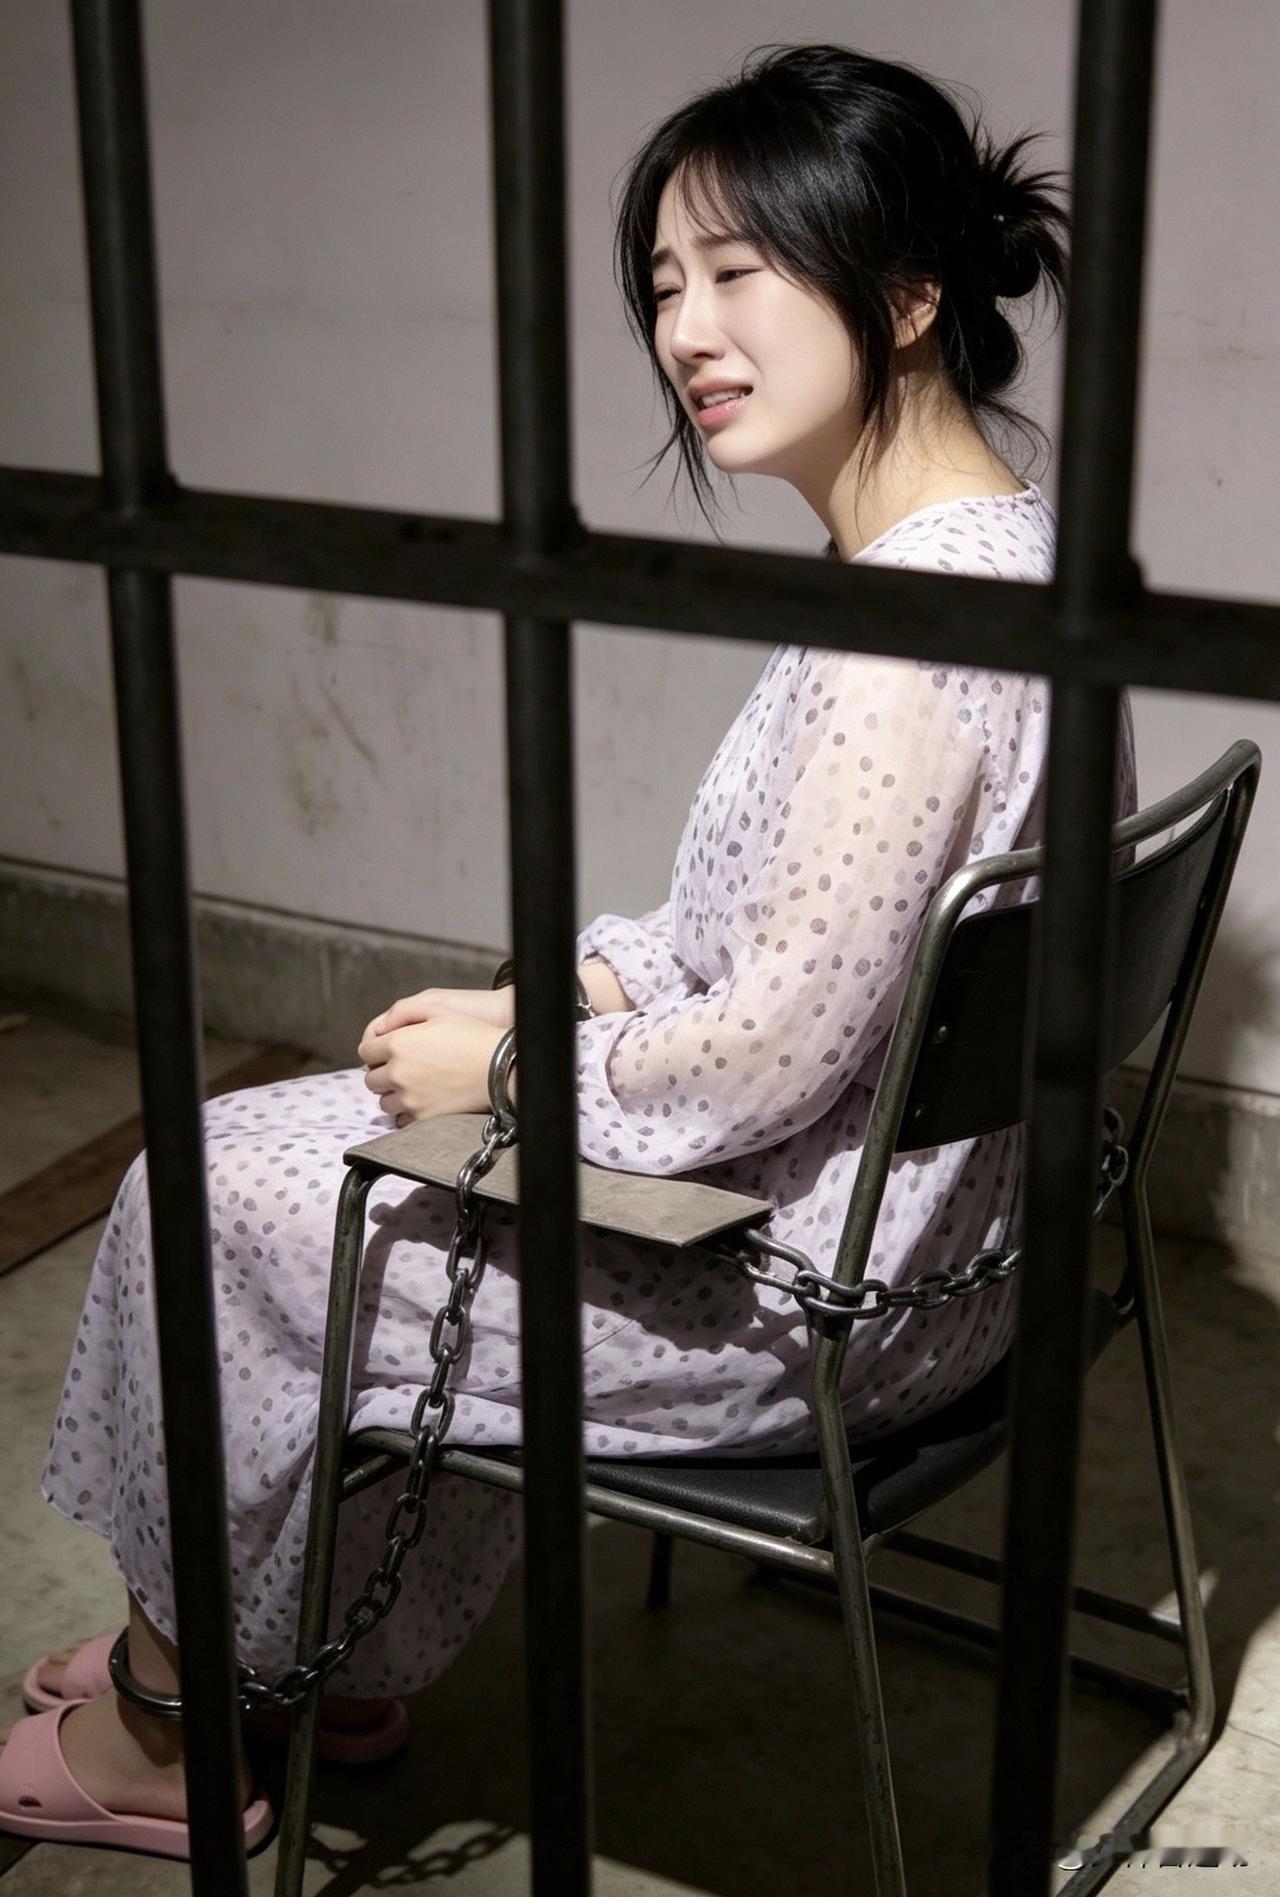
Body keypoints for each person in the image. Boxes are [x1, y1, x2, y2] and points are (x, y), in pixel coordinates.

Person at [0, 39, 1136, 1859]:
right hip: (941, 1260)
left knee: (205, 1199)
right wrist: (575, 988)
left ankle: (166, 1720)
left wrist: (519, 1068)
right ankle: (287, 1662)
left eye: (739, 271)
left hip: (810, 1311)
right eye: (666, 284)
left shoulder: (902, 642)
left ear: (912, 293)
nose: (686, 330)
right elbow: (788, 940)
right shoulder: (1010, 559)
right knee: (306, 1163)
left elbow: (761, 1057)